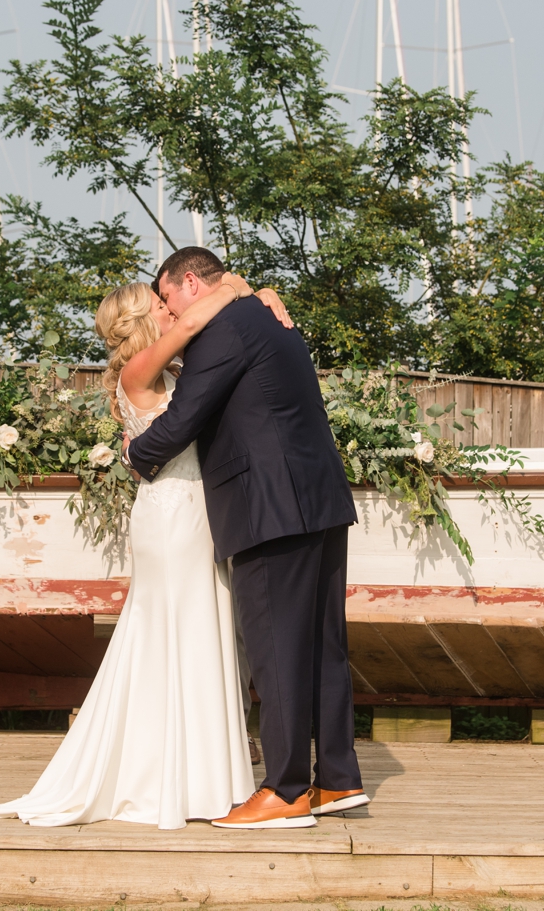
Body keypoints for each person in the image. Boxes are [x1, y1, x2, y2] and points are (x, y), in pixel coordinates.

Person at [0, 272, 291, 829]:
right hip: (174, 520)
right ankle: (176, 777)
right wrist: (245, 290)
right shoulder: (141, 368)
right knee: (182, 634)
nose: (170, 308)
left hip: (191, 513)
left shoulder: (166, 368)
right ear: (141, 318)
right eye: (159, 303)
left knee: (204, 634)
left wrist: (255, 298)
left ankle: (201, 773)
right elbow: (200, 316)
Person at [126, 246, 367, 830]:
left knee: (278, 649)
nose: (167, 310)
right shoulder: (266, 316)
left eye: (166, 297)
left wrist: (137, 454)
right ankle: (336, 779)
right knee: (321, 644)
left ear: (189, 283)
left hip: (269, 505)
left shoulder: (225, 329)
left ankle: (285, 790)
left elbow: (184, 418)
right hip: (317, 495)